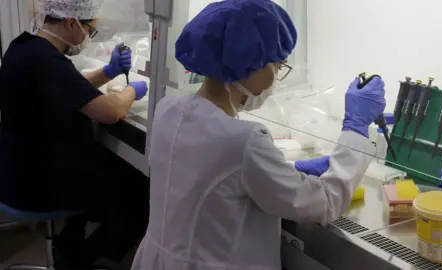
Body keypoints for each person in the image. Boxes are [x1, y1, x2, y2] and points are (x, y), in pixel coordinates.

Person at [132, 0, 385, 269]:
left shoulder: (168, 110)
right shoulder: (244, 140)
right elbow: (324, 203)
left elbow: (213, 170)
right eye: (277, 66)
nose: (277, 77)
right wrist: (355, 130)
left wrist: (289, 168)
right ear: (251, 62)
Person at [0, 0, 149, 269]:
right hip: (41, 185)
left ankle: (70, 241)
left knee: (116, 173)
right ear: (71, 23)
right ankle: (78, 259)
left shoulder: (25, 47)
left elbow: (69, 85)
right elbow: (109, 112)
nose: (87, 38)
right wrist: (133, 91)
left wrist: (109, 71)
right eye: (89, 30)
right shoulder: (45, 60)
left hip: (22, 172)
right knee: (138, 199)